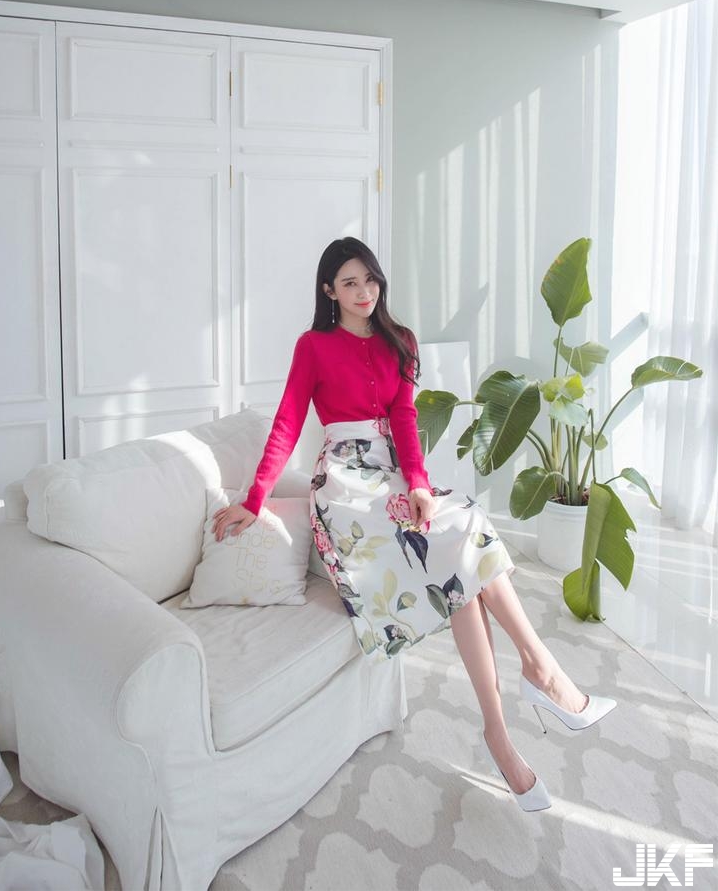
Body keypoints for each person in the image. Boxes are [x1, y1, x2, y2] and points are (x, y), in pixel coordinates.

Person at [213, 237, 616, 812]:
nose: (364, 291)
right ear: (329, 291)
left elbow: (404, 417)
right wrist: (255, 499)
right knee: (464, 542)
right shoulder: (313, 346)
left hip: (394, 476)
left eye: (370, 279)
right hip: (346, 486)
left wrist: (420, 484)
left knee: (462, 556)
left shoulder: (400, 340)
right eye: (349, 282)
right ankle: (540, 675)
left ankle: (502, 728)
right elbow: (287, 423)